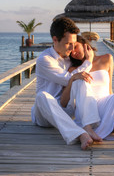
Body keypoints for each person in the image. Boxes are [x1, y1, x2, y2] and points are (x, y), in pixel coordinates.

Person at [31, 17, 101, 150]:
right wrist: (88, 62)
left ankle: (88, 125)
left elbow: (79, 77)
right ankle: (80, 134)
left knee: (81, 79)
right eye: (68, 43)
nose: (72, 48)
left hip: (67, 110)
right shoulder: (44, 60)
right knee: (42, 96)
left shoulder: (71, 58)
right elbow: (68, 78)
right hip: (45, 114)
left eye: (74, 43)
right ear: (55, 39)